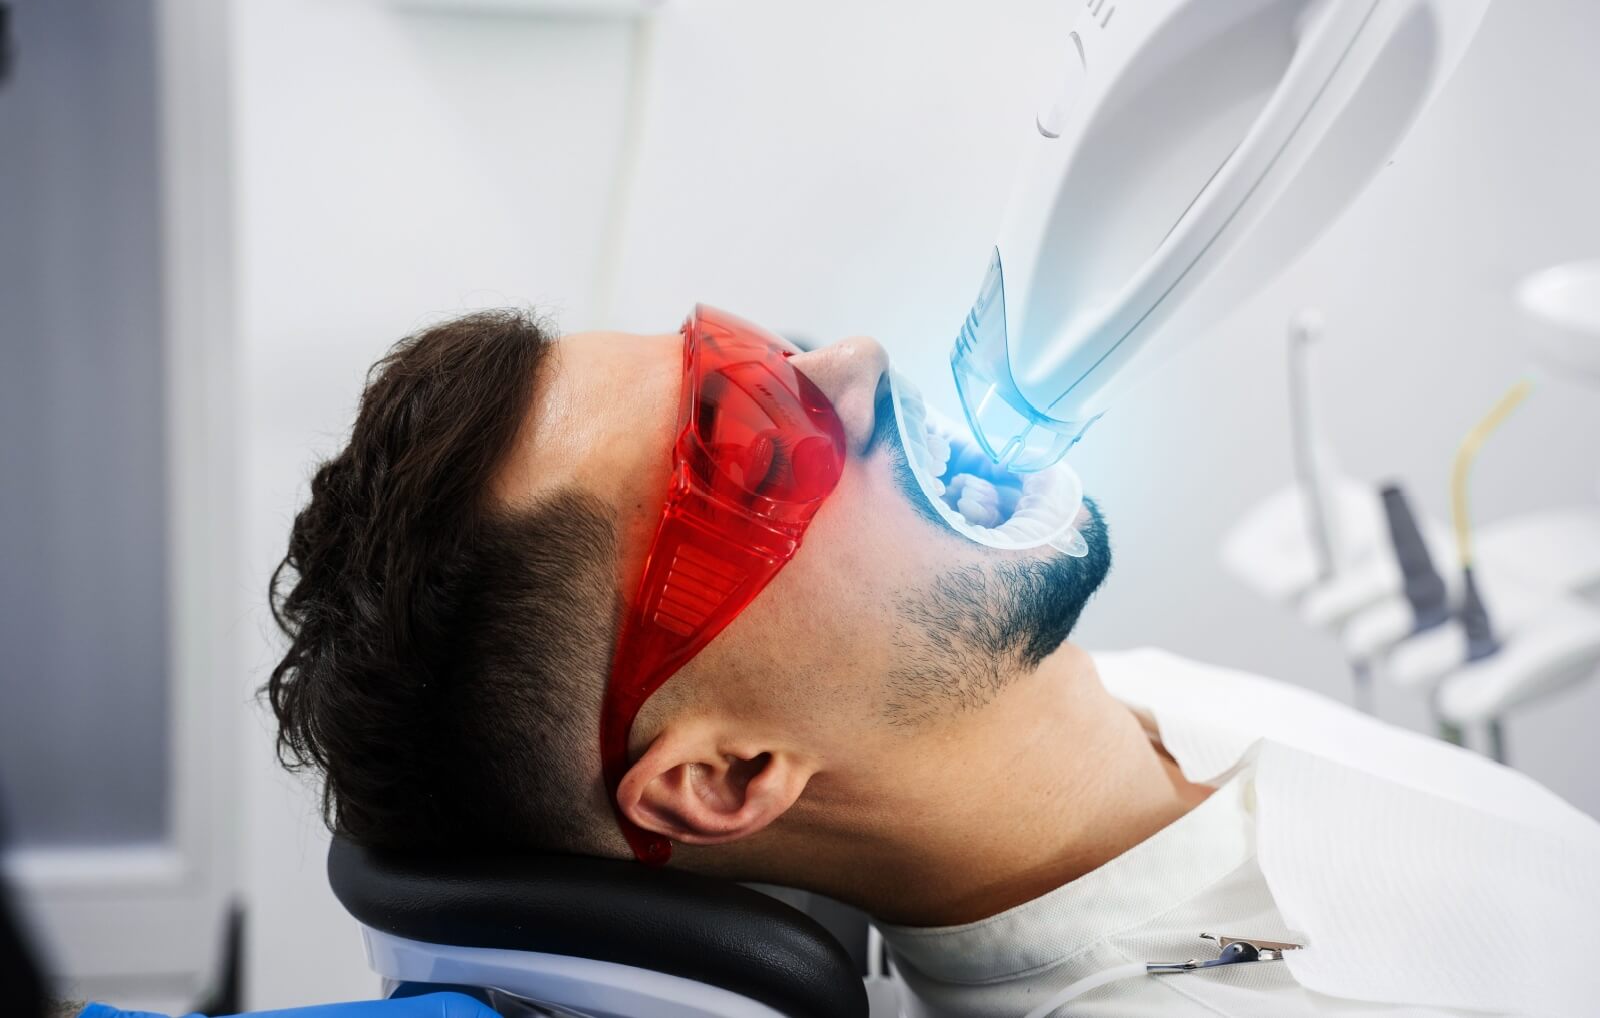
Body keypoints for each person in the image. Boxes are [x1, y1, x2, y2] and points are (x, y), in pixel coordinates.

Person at [268, 307, 1600, 1016]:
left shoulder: (1122, 700)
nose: (856, 360)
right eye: (749, 450)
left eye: (765, 346)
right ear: (731, 773)